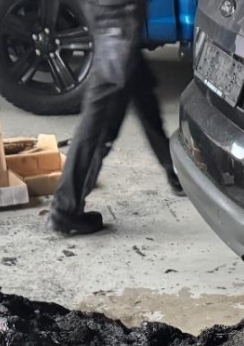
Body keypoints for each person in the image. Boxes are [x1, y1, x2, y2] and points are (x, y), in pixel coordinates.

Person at [50, 0, 182, 235]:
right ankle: (65, 209)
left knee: (140, 88)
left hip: (115, 12)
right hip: (117, 12)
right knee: (101, 114)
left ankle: (174, 171)